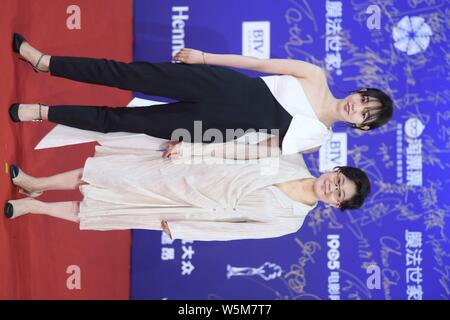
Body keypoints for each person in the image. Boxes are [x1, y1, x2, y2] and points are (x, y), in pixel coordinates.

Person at [9, 33, 393, 155]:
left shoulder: (316, 141)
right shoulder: (315, 75)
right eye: (363, 100)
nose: (357, 107)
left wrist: (196, 148)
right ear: (359, 91)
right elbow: (258, 64)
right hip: (218, 83)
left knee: (123, 122)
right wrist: (206, 57)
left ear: (360, 128)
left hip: (214, 126)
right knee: (124, 73)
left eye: (364, 114)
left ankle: (43, 111)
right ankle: (45, 62)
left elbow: (252, 149)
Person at [4, 135, 371, 241]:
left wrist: (186, 229)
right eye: (338, 180)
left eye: (339, 194)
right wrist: (192, 149)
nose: (331, 188)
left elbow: (234, 234)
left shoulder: (290, 222)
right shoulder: (290, 157)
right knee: (108, 173)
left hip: (190, 207)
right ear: (334, 169)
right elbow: (236, 149)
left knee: (106, 209)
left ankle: (37, 208)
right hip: (193, 167)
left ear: (336, 206)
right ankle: (36, 184)